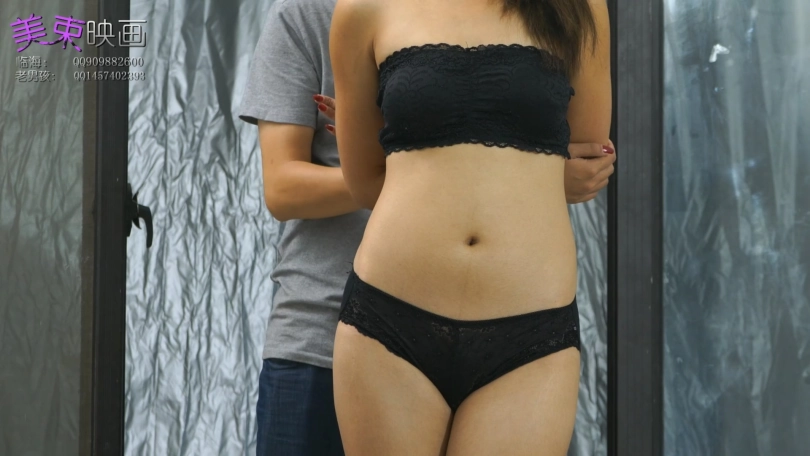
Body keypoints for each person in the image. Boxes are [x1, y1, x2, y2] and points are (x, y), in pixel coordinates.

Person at [238, 0, 614, 454]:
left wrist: (455, 159)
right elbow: (364, 181)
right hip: (390, 317)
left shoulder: (578, 6)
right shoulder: (357, 11)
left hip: (530, 322)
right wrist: (455, 162)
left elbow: (586, 159)